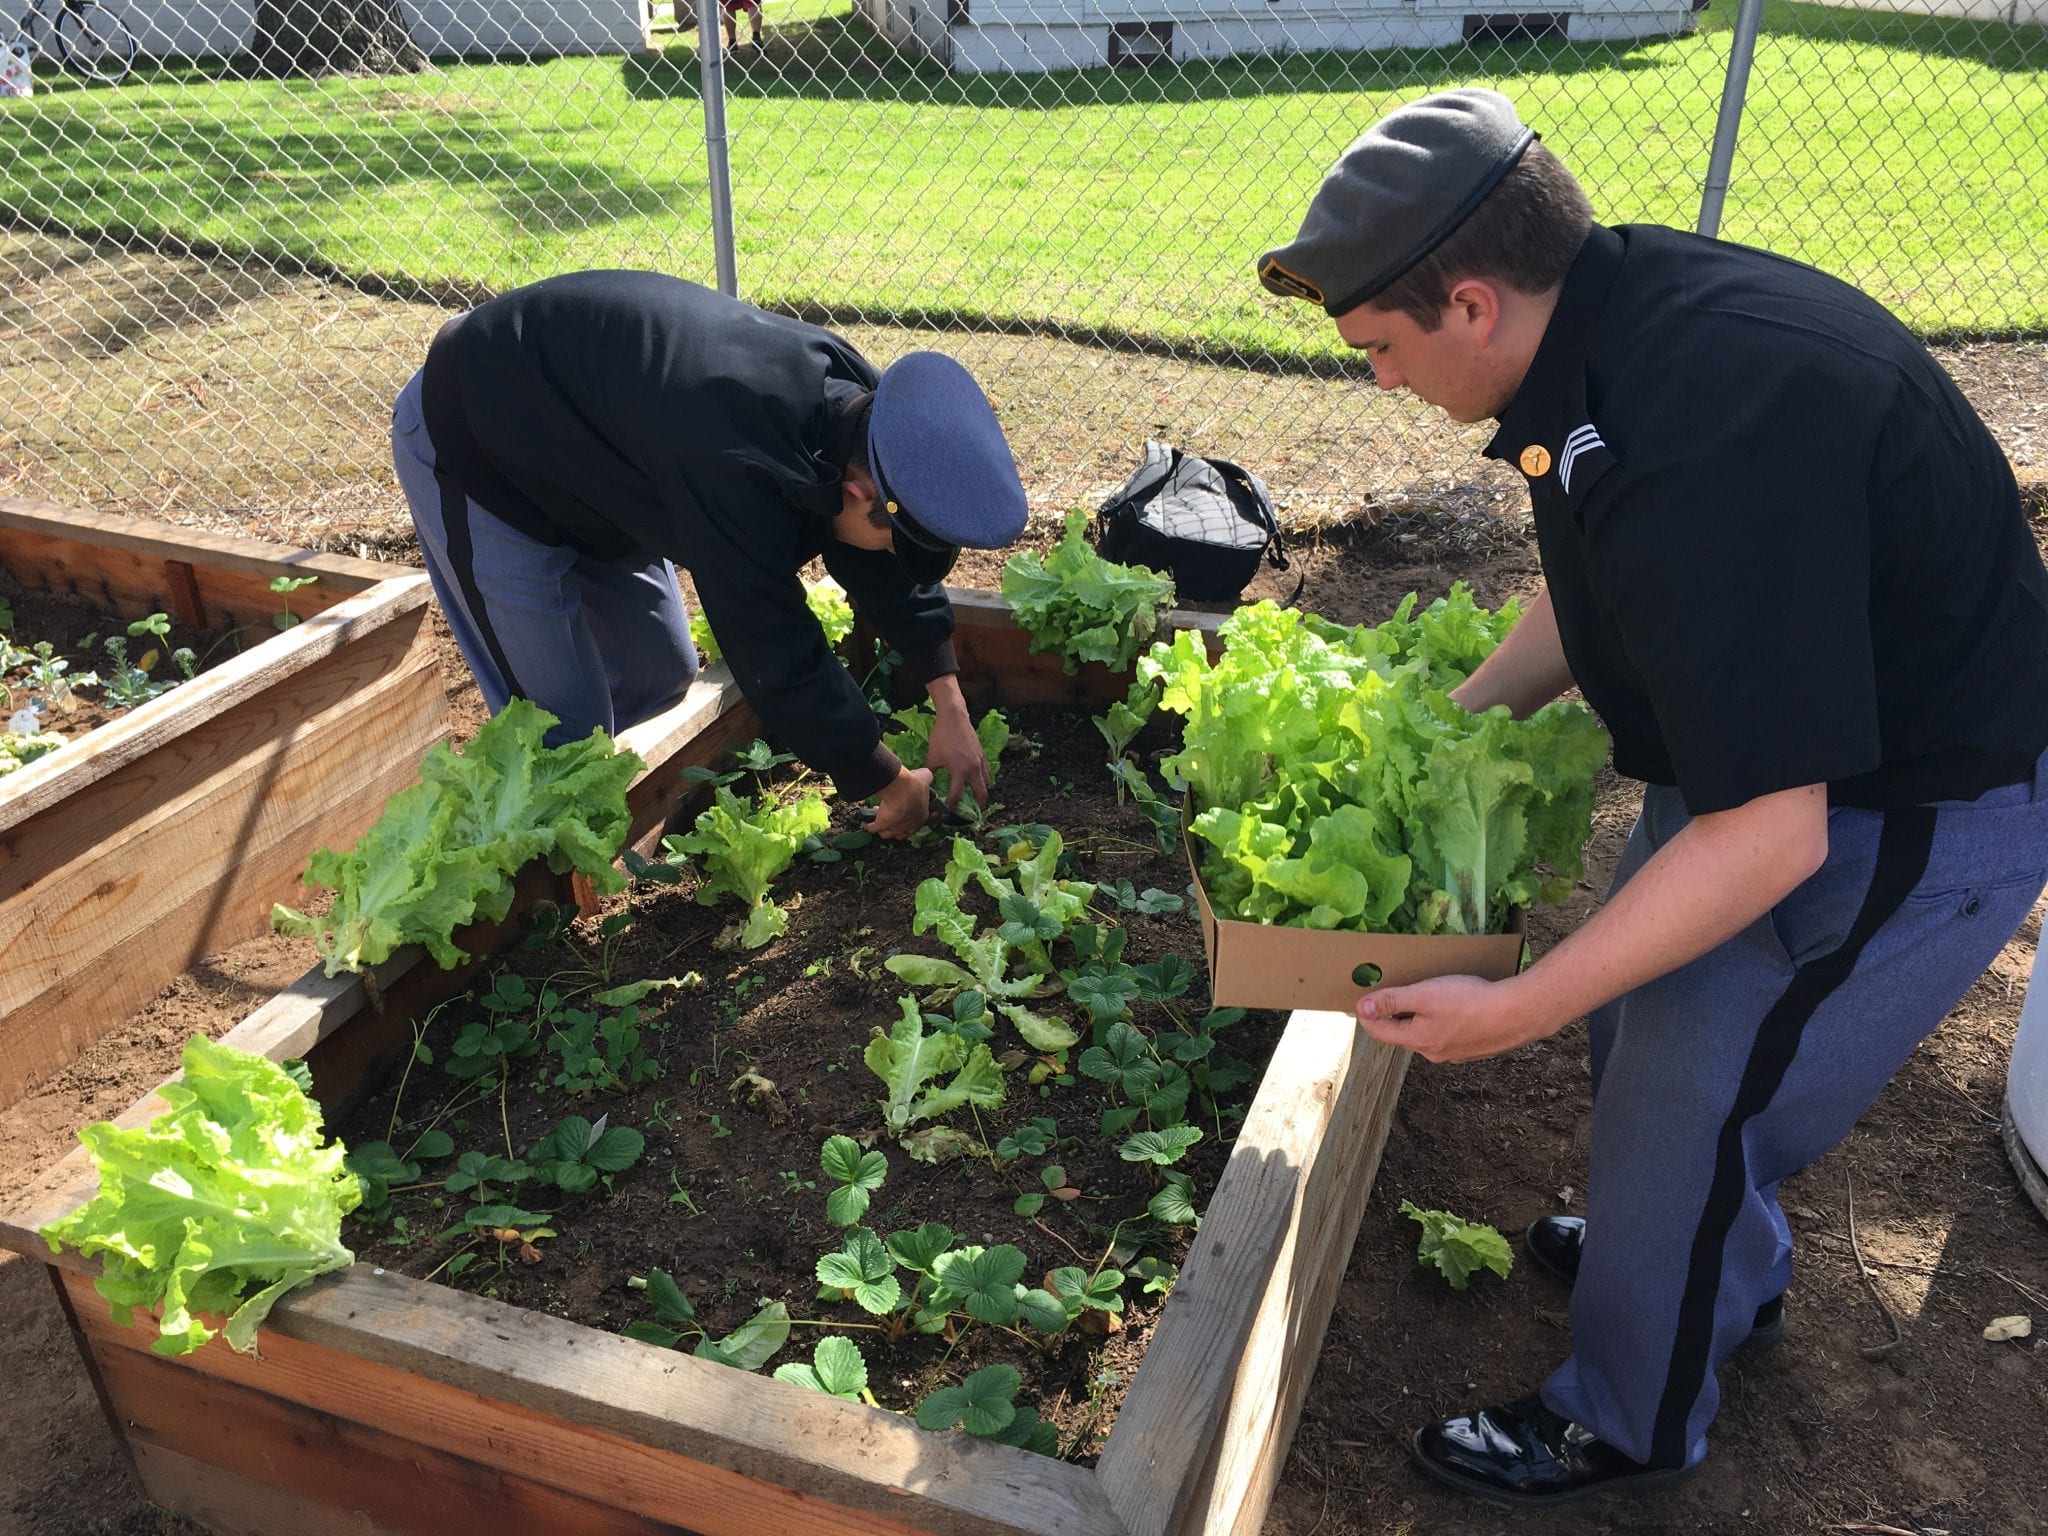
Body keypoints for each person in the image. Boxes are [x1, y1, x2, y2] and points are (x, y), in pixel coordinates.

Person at [1259, 89, 2048, 1508]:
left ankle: (1625, 1417)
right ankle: (1703, 1263)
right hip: (1776, 759)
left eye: (1378, 346)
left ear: (1476, 304)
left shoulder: (1702, 444)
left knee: (1688, 1099)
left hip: (1909, 809)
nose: (1376, 378)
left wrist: (1518, 1003)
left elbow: (1776, 836)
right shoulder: (1608, 334)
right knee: (1648, 1035)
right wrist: (1440, 726)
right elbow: (1592, 595)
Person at [391, 270, 1028, 841]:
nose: (892, 553)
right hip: (481, 447)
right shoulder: (732, 462)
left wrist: (950, 703)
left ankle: (609, 830)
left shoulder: (866, 414)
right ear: (858, 491)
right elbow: (775, 651)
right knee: (562, 739)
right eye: (893, 535)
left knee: (663, 676)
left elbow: (879, 559)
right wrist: (886, 778)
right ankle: (548, 897)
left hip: (600, 465)